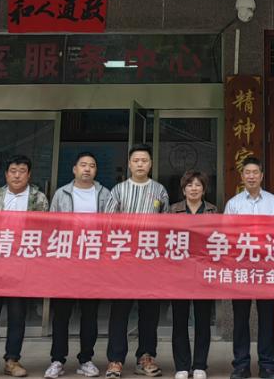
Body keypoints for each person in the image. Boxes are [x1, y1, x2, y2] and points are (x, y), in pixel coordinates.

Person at [0, 155, 51, 379]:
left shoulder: (39, 199)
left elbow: (45, 232)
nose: (17, 175)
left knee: (17, 314)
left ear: (29, 175)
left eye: (22, 171)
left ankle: (12, 360)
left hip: (21, 266)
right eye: (13, 171)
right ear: (6, 174)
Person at [47, 152, 116, 379]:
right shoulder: (61, 194)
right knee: (61, 314)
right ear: (74, 169)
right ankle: (57, 360)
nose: (87, 169)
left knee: (89, 314)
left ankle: (86, 359)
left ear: (96, 170)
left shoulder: (105, 194)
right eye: (83, 165)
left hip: (93, 262)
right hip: (66, 261)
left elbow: (112, 226)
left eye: (92, 165)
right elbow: (51, 226)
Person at [106, 144, 170, 379]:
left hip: (151, 262)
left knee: (149, 312)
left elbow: (166, 226)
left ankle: (145, 357)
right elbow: (108, 224)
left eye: (144, 160)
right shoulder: (118, 190)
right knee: (119, 312)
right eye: (136, 160)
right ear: (129, 164)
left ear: (150, 164)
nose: (140, 164)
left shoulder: (160, 190)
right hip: (124, 261)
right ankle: (115, 360)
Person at [224, 157, 274, 379]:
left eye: (255, 172)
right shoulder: (233, 204)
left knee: (267, 318)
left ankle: (267, 365)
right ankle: (241, 364)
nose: (251, 176)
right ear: (242, 176)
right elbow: (227, 237)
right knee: (240, 319)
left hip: (266, 269)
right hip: (241, 268)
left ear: (261, 175)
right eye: (247, 172)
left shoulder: (273, 202)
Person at [167, 171, 218, 379]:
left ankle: (199, 365)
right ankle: (181, 365)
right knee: (179, 320)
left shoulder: (213, 211)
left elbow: (218, 239)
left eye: (198, 185)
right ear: (183, 189)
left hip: (204, 272)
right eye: (189, 185)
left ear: (204, 189)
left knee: (203, 321)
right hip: (179, 273)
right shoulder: (173, 210)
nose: (194, 188)